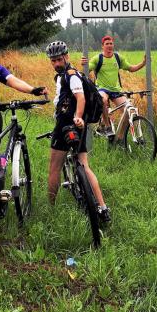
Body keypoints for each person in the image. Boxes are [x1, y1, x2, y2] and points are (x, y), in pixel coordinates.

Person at [46, 40, 111, 222]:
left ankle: (50, 208)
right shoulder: (70, 75)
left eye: (59, 59)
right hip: (80, 127)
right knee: (84, 165)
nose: (56, 63)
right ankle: (103, 208)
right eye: (53, 61)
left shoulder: (71, 76)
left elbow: (80, 98)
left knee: (54, 168)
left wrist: (78, 117)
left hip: (66, 125)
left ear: (66, 56)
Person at [81, 35, 146, 135]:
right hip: (102, 89)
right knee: (103, 100)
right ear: (102, 46)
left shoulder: (118, 57)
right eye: (107, 44)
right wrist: (84, 64)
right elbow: (86, 70)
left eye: (111, 43)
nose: (109, 45)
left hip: (116, 90)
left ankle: (119, 138)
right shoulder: (98, 59)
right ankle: (107, 127)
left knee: (129, 110)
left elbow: (131, 68)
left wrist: (143, 63)